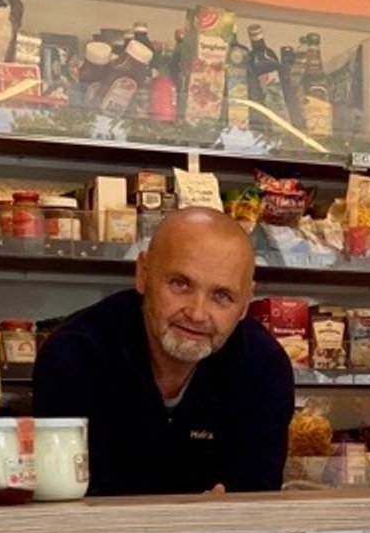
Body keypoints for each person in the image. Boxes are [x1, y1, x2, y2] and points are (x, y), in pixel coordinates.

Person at [33, 207, 294, 497]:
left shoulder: (264, 368)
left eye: (222, 296)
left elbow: (256, 504)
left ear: (246, 302)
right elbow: (66, 502)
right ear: (143, 274)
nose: (197, 313)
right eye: (180, 284)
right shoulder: (75, 356)